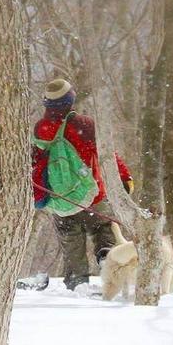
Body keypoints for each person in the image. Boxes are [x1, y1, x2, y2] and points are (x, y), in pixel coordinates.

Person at [32, 79, 132, 290]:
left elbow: (35, 161)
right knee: (104, 232)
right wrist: (124, 177)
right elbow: (107, 154)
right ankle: (108, 267)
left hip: (61, 200)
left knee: (71, 244)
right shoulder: (85, 125)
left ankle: (77, 284)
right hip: (92, 196)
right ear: (71, 99)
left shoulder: (41, 128)